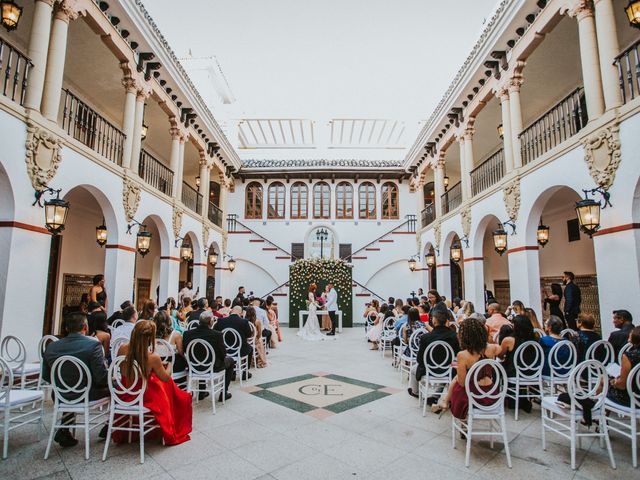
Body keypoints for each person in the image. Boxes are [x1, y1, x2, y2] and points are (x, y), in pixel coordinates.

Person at [115, 321, 192, 445]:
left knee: (161, 385)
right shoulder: (152, 357)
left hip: (126, 391)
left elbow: (122, 368)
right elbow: (165, 377)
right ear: (150, 338)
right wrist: (169, 366)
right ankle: (170, 422)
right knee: (168, 386)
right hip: (143, 396)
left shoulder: (122, 348)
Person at [42, 312, 109, 448]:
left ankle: (64, 429)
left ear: (67, 328)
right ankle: (110, 426)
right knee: (116, 387)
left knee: (72, 387)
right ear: (85, 327)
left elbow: (47, 377)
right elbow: (101, 378)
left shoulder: (51, 347)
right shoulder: (93, 346)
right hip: (86, 394)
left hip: (60, 394)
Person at [432, 317, 502, 416]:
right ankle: (443, 402)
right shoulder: (493, 348)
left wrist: (459, 372)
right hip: (491, 395)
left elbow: (462, 383)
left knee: (457, 380)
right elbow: (501, 350)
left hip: (472, 398)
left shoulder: (463, 355)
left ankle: (445, 403)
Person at [183, 311, 236, 400]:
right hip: (212, 366)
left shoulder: (187, 334)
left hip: (194, 366)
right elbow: (223, 354)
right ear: (211, 322)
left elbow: (185, 350)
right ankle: (223, 393)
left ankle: (201, 391)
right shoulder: (217, 335)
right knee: (230, 361)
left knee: (200, 357)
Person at [408, 309, 460, 398]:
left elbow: (420, 359)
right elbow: (457, 353)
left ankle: (416, 392)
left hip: (429, 370)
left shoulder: (426, 337)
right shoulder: (453, 336)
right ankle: (436, 396)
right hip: (448, 369)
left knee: (413, 369)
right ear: (447, 321)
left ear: (434, 321)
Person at [499, 315, 538, 413]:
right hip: (533, 372)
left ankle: (501, 398)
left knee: (497, 369)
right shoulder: (536, 339)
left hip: (514, 372)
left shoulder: (509, 340)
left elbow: (500, 355)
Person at [214, 306, 254, 373]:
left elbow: (215, 333)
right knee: (250, 349)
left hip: (225, 349)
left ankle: (232, 372)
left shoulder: (221, 321)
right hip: (240, 349)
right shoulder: (244, 322)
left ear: (231, 311)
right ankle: (245, 371)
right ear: (241, 313)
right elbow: (249, 335)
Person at [607, 327, 640, 407]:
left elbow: (622, 385)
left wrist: (613, 382)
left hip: (633, 398)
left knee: (604, 383)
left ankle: (598, 414)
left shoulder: (629, 356)